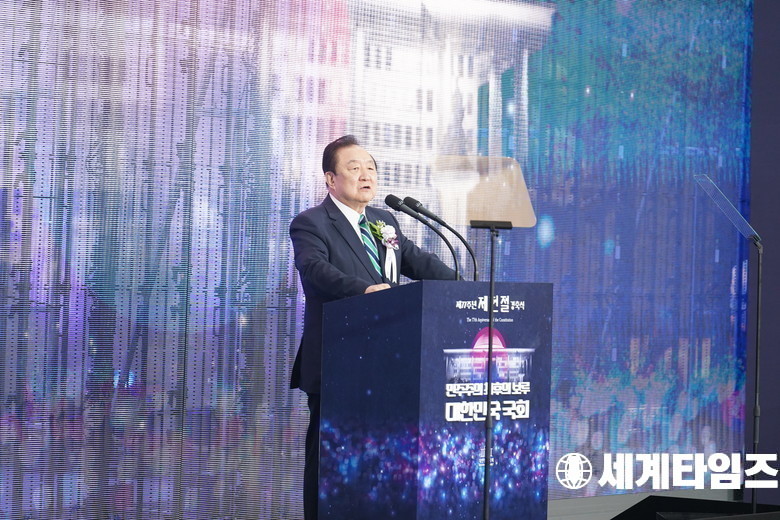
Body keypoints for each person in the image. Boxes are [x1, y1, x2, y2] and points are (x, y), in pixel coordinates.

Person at [289, 135, 456, 519]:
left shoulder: (384, 221)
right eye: (355, 168)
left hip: (387, 361)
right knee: (329, 460)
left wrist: (468, 287)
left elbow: (416, 260)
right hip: (338, 360)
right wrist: (365, 290)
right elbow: (314, 270)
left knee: (380, 458)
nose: (366, 175)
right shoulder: (311, 223)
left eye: (371, 168)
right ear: (331, 179)